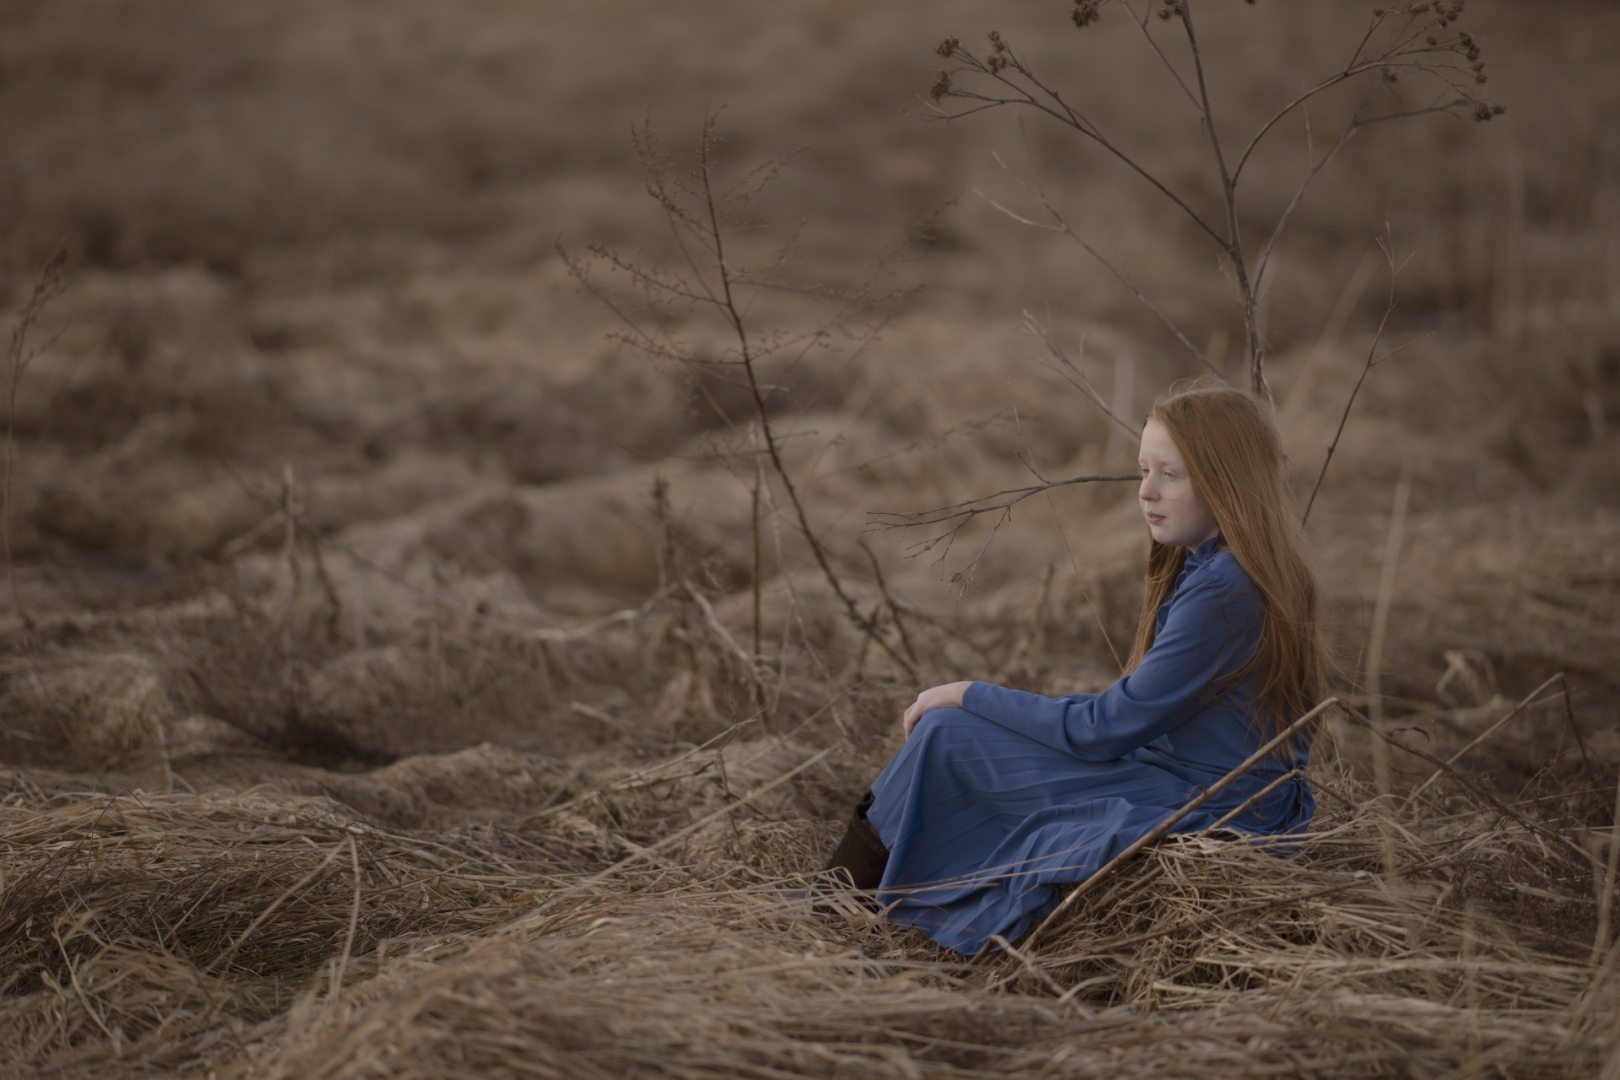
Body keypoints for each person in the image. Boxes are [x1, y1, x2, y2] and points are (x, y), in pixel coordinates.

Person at [823, 382, 1326, 956]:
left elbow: (1104, 728)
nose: (1146, 491)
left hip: (1209, 803)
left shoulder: (1225, 590)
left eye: (1171, 475)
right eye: (1143, 469)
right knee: (952, 736)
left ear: (1227, 482)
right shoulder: (1229, 568)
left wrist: (969, 693)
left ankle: (839, 904)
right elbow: (1131, 712)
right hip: (1199, 782)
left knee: (946, 733)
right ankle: (853, 898)